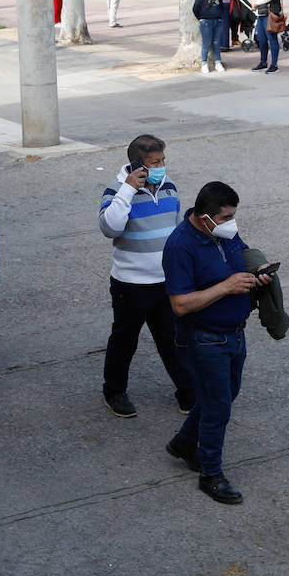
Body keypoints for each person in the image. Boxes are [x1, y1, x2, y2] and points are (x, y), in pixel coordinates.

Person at [162, 181, 272, 505]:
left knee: (224, 394)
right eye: (226, 217)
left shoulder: (223, 232)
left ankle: (184, 443)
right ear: (203, 216)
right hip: (205, 339)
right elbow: (180, 305)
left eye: (233, 216)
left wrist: (260, 271)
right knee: (217, 406)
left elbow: (243, 256)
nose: (232, 223)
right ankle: (210, 473)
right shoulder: (180, 246)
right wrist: (226, 287)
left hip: (234, 333)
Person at [98, 135, 194, 418]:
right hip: (130, 284)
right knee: (125, 340)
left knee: (173, 338)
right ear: (137, 164)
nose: (161, 166)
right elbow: (110, 227)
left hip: (165, 282)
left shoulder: (169, 186)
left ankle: (188, 393)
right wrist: (128, 190)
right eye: (155, 162)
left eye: (163, 160)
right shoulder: (115, 190)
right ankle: (114, 391)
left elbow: (177, 229)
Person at [251, 0, 283, 72]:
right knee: (262, 39)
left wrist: (257, 2)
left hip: (270, 13)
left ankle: (274, 65)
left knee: (272, 39)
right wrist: (253, 1)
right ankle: (263, 62)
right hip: (260, 13)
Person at [193, 0, 225, 74]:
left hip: (218, 22)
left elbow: (221, 7)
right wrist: (201, 18)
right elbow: (195, 8)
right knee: (206, 44)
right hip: (206, 23)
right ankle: (204, 63)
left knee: (216, 43)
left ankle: (218, 62)